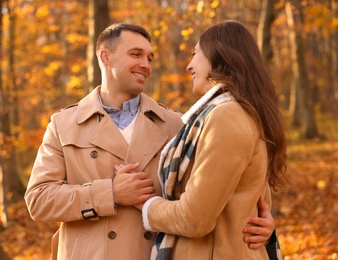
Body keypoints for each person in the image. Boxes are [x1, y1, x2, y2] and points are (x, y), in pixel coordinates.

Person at [24, 23, 276, 260]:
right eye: (136, 54)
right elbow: (38, 200)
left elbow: (240, 186)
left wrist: (260, 222)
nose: (145, 64)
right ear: (105, 57)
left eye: (150, 58)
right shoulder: (63, 124)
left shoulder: (177, 124)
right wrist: (110, 193)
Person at [116, 20, 287, 259]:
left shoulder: (226, 116)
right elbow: (252, 198)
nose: (189, 66)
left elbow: (194, 219)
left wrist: (146, 205)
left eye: (195, 54)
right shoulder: (237, 112)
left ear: (218, 56)